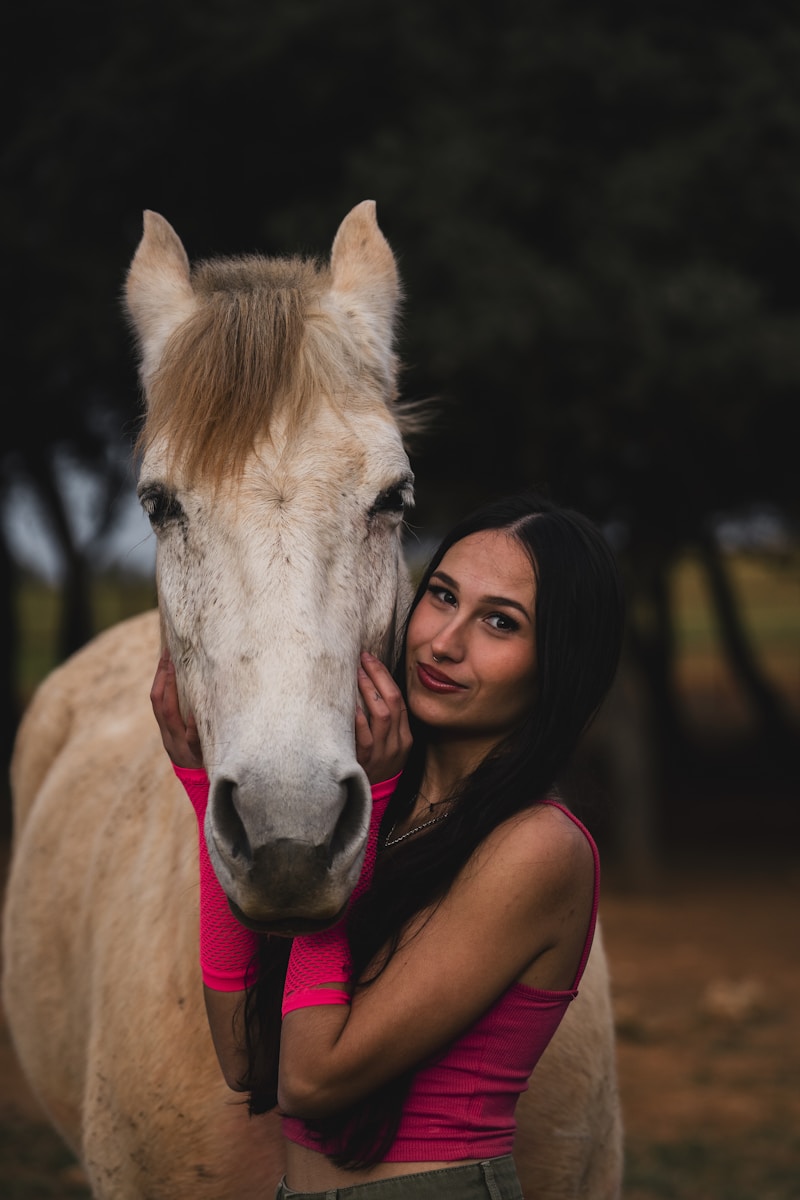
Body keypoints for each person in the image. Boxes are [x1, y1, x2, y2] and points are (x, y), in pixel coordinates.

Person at [151, 491, 625, 1200]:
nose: (443, 641)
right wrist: (197, 784)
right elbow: (246, 1060)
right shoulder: (399, 809)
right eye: (441, 596)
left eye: (500, 621)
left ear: (558, 660)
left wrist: (351, 828)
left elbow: (312, 1080)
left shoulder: (539, 848)